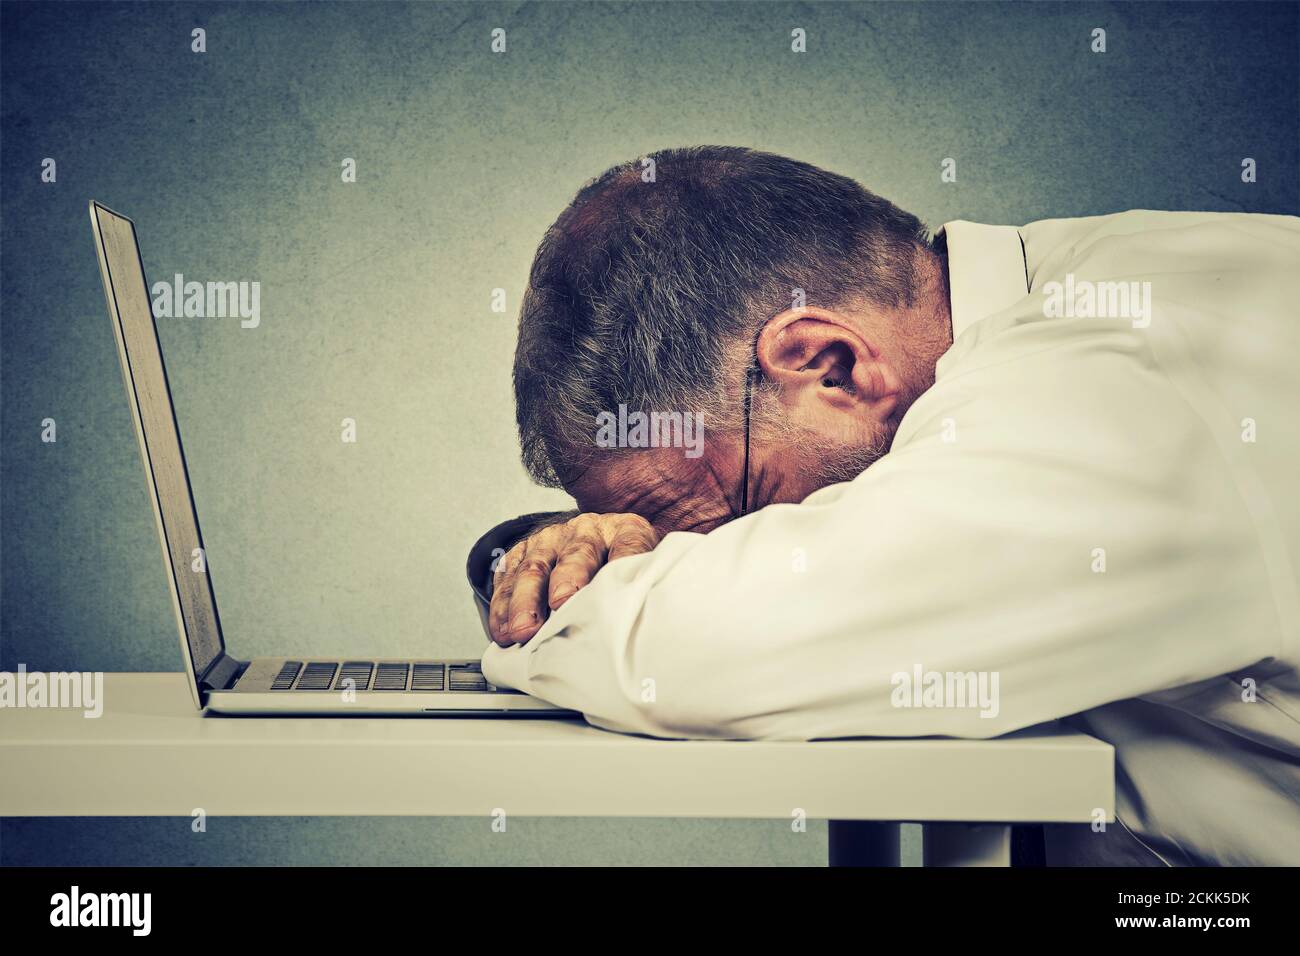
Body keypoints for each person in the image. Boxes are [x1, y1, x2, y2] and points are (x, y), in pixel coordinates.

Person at [465, 146, 1300, 865]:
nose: (712, 555)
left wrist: (555, 602)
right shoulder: (1087, 300)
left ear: (830, 364)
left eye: (724, 514)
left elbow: (698, 652)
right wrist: (559, 547)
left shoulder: (1115, 385)